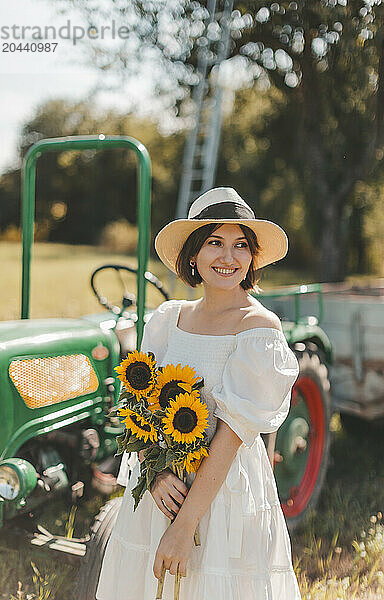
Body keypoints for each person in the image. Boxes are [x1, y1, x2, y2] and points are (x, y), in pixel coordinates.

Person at [96, 187, 301, 600]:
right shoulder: (169, 320)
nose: (229, 257)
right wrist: (154, 476)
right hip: (165, 490)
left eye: (241, 245)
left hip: (224, 494)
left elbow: (232, 434)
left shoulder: (258, 328)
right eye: (215, 243)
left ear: (252, 258)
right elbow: (141, 404)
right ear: (193, 255)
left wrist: (185, 524)